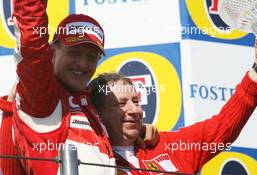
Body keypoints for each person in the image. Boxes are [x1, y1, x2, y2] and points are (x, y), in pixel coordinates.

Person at [0, 0, 158, 175]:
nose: (82, 64)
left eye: (91, 56)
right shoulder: (42, 95)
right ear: (52, 50)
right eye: (74, 53)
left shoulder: (87, 102)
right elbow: (32, 39)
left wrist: (133, 130)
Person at [88, 34, 257, 174]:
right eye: (121, 104)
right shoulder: (92, 160)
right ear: (99, 113)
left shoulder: (170, 146)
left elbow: (222, 126)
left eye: (136, 101)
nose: (135, 110)